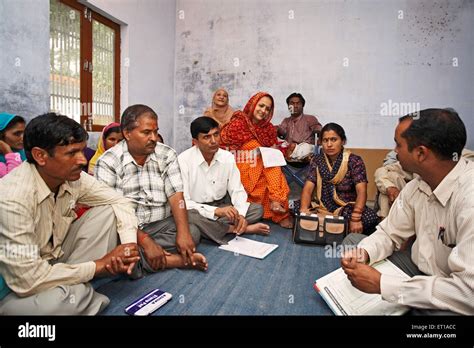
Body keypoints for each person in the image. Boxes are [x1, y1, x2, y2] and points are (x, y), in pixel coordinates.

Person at [0, 113, 141, 315]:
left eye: (82, 150)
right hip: (16, 286)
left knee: (109, 212)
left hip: (55, 261)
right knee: (54, 305)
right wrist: (99, 266)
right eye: (71, 153)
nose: (82, 160)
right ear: (40, 156)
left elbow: (118, 201)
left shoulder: (73, 177)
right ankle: (80, 291)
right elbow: (27, 280)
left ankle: (74, 289)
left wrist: (129, 245)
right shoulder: (12, 198)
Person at [341, 108, 474, 315]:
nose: (394, 152)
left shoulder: (469, 198)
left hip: (450, 286)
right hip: (417, 270)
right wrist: (364, 253)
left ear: (421, 153)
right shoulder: (417, 185)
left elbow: (468, 292)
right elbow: (388, 233)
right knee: (353, 243)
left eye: (398, 144)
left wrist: (383, 285)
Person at [95, 104, 208, 277]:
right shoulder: (108, 162)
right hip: (123, 228)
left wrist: (183, 234)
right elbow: (113, 212)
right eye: (146, 132)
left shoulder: (167, 154)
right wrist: (146, 242)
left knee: (192, 231)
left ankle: (136, 262)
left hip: (159, 224)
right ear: (127, 133)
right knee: (115, 245)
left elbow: (176, 196)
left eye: (156, 132)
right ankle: (176, 260)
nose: (154, 138)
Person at [179, 116, 270, 244]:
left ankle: (212, 229)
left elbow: (237, 190)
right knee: (187, 215)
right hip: (197, 209)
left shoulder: (227, 157)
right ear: (195, 141)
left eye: (216, 135)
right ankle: (233, 229)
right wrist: (215, 211)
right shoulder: (183, 160)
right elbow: (184, 202)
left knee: (257, 209)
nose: (213, 141)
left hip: (222, 205)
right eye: (206, 137)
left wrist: (241, 215)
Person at [220, 92, 293, 229]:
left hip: (262, 166)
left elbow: (272, 148)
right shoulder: (238, 123)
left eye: (267, 109)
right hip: (239, 164)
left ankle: (276, 202)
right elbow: (225, 148)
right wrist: (254, 152)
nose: (263, 111)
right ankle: (278, 208)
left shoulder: (269, 128)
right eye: (261, 106)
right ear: (253, 104)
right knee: (260, 153)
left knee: (271, 160)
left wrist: (267, 151)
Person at [299, 123, 379, 234]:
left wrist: (355, 218)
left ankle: (322, 225)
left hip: (345, 208)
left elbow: (361, 191)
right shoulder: (317, 160)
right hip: (322, 206)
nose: (329, 144)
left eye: (333, 139)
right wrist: (304, 211)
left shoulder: (354, 161)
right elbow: (308, 188)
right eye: (325, 140)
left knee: (370, 217)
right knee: (296, 206)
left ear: (343, 141)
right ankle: (337, 228)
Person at [277, 93, 322, 161]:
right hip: (289, 148)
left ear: (302, 105)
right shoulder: (286, 121)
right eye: (292, 103)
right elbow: (281, 132)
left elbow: (318, 127)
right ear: (288, 106)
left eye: (298, 103)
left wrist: (317, 129)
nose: (295, 106)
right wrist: (277, 130)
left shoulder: (310, 118)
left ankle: (300, 157)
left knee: (306, 148)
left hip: (304, 147)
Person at [0, 112, 26, 178]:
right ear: (1, 136)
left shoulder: (25, 153)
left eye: (24, 133)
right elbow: (13, 180)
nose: (23, 138)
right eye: (17, 134)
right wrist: (8, 152)